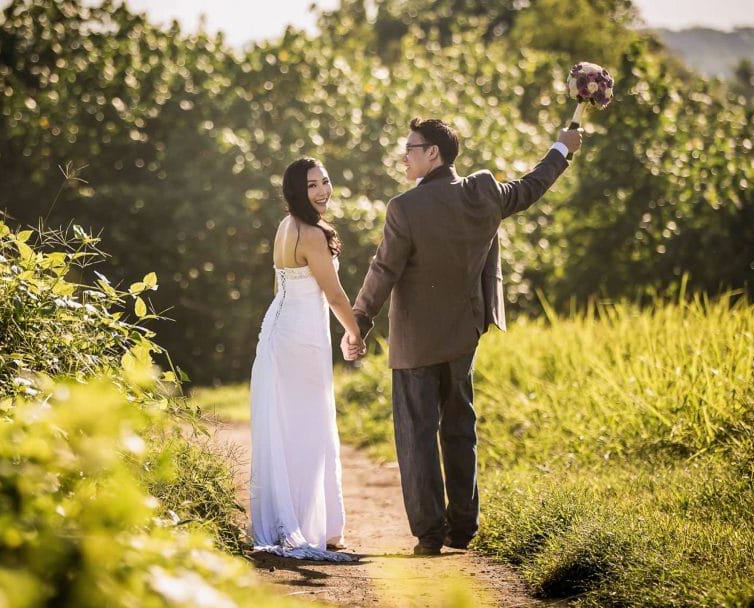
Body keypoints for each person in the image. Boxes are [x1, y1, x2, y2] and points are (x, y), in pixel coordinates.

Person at [344, 118, 581, 556]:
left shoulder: (404, 208)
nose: (405, 155)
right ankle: (463, 527)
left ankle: (430, 534)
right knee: (459, 428)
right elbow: (531, 186)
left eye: (411, 148)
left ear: (433, 152)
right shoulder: (483, 192)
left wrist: (359, 320)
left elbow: (383, 270)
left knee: (416, 436)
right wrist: (562, 149)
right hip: (464, 334)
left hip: (414, 341)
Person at [249, 156, 364, 562]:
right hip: (300, 338)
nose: (322, 191)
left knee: (291, 426)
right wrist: (354, 331)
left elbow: (279, 283)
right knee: (310, 428)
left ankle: (307, 522)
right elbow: (333, 295)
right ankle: (315, 528)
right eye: (312, 185)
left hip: (279, 330)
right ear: (296, 191)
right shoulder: (311, 234)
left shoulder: (285, 227)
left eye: (326, 182)